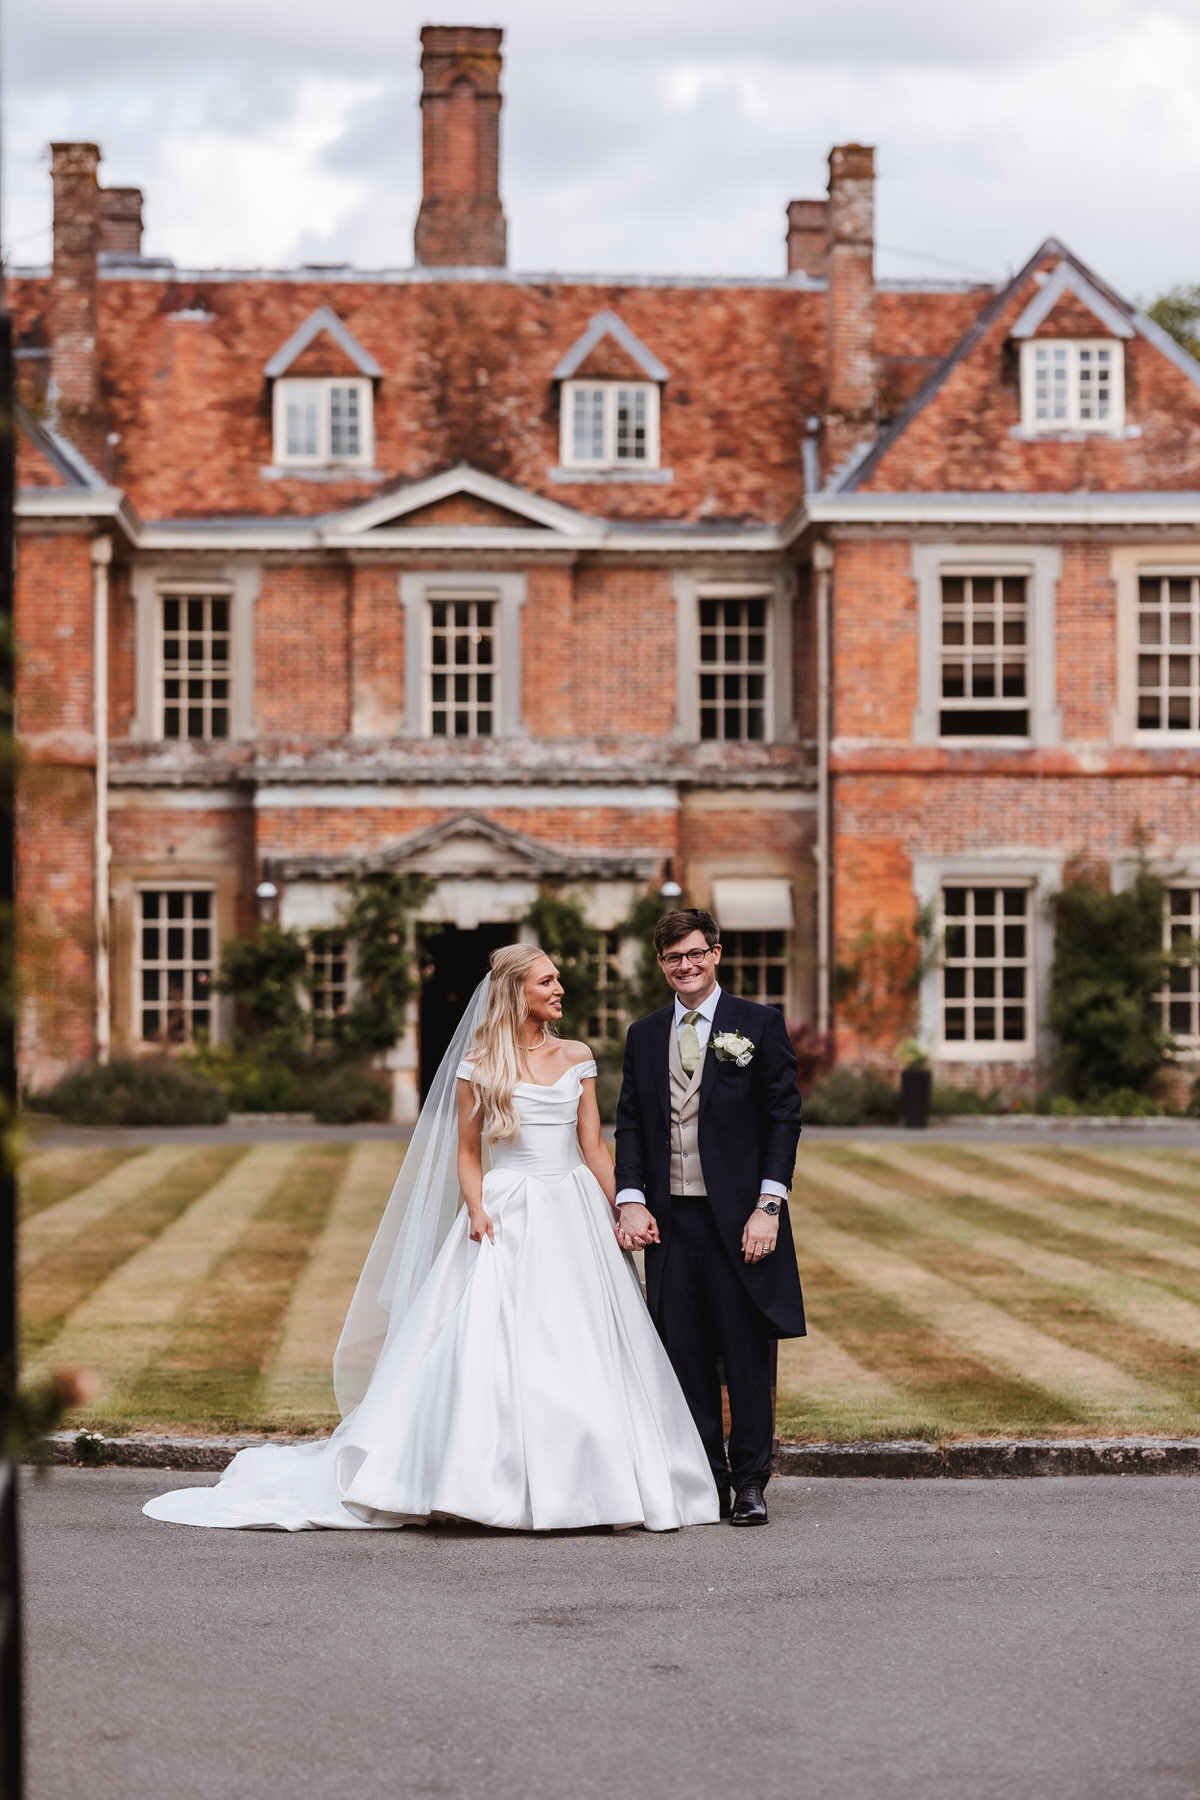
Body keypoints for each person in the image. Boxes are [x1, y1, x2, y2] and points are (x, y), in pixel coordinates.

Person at [143, 944, 719, 1533]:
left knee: (584, 1336)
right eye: (548, 981)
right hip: (508, 1207)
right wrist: (475, 1207)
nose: (560, 989)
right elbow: (468, 1154)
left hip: (573, 1207)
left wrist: (626, 1204)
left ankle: (596, 1482)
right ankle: (478, 1482)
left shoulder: (578, 1055)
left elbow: (594, 1143)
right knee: (493, 1342)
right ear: (517, 991)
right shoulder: (479, 1064)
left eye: (558, 980)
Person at [614, 909, 804, 1527]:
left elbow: (783, 1118)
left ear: (716, 954)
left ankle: (750, 1482)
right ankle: (705, 1480)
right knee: (685, 1354)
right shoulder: (643, 1036)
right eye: (674, 958)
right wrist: (631, 1197)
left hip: (741, 1220)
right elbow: (633, 1125)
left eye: (696, 954)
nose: (686, 966)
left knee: (745, 1355)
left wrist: (768, 1206)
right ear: (662, 964)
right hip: (671, 1221)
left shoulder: (758, 1024)